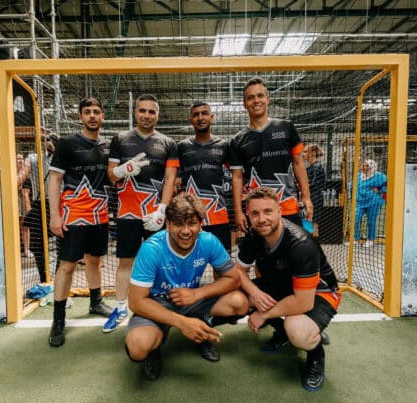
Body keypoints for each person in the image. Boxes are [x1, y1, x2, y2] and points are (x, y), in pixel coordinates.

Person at [124, 193, 248, 381]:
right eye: (178, 224)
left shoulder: (208, 241)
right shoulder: (151, 248)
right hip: (157, 304)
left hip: (191, 300)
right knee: (138, 348)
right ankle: (155, 347)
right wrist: (182, 323)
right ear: (168, 224)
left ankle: (202, 328)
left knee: (240, 303)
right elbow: (135, 302)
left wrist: (197, 293)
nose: (185, 231)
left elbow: (233, 279)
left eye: (192, 223)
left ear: (200, 224)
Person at [236, 187, 341, 392]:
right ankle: (282, 333)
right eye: (255, 213)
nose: (261, 219)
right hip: (283, 285)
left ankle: (316, 353)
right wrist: (256, 294)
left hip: (319, 293)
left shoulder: (301, 244)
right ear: (249, 215)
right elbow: (238, 271)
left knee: (297, 330)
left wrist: (263, 313)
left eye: (268, 211)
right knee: (237, 298)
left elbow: (303, 302)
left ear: (279, 212)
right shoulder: (254, 234)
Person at [105, 94, 179, 333]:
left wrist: (162, 210)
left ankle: (160, 307)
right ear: (135, 112)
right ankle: (120, 307)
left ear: (158, 114)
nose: (147, 115)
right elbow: (110, 175)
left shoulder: (168, 143)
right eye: (142, 110)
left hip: (154, 215)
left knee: (160, 262)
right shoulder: (120, 139)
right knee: (125, 261)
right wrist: (121, 170)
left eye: (152, 111)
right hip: (127, 214)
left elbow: (170, 179)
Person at [47, 97, 114, 347]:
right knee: (67, 265)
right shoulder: (67, 143)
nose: (92, 116)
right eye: (87, 112)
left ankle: (96, 302)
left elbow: (113, 176)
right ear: (81, 117)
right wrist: (55, 215)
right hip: (73, 215)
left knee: (95, 260)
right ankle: (58, 320)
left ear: (103, 116)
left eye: (97, 111)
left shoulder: (108, 146)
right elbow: (55, 179)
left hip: (99, 214)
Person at [230, 77, 313, 233]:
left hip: (288, 206)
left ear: (268, 99)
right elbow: (237, 177)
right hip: (257, 212)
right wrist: (238, 211)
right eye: (250, 97)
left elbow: (298, 163)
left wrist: (306, 197)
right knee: (261, 249)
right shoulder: (237, 140)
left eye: (260, 96)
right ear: (244, 104)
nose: (256, 101)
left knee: (293, 248)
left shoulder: (286, 127)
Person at [177, 101, 231, 250]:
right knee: (190, 258)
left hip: (218, 213)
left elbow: (236, 175)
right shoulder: (182, 147)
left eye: (204, 113)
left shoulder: (224, 145)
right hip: (191, 216)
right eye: (196, 115)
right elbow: (174, 178)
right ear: (191, 120)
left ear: (212, 117)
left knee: (222, 260)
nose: (200, 118)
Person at [24, 135, 56, 283]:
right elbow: (22, 174)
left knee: (56, 245)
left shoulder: (62, 157)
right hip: (43, 203)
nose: (47, 143)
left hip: (55, 203)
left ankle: (52, 279)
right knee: (38, 245)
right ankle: (46, 279)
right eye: (45, 140)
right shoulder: (33, 158)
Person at [352, 159, 387, 247]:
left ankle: (370, 240)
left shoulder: (379, 176)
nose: (363, 167)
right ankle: (356, 239)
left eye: (366, 166)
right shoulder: (358, 176)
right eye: (363, 165)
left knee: (371, 221)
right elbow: (352, 185)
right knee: (355, 218)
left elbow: (387, 184)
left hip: (373, 202)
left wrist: (380, 190)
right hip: (360, 201)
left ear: (372, 167)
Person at [303, 143, 326, 237]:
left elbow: (311, 183)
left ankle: (313, 244)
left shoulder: (317, 167)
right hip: (311, 196)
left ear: (312, 153)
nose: (303, 154)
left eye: (305, 152)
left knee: (312, 225)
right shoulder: (310, 167)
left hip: (315, 198)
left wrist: (299, 185)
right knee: (309, 224)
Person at [16, 153, 32, 257]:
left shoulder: (27, 176)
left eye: (22, 158)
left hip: (23, 202)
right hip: (15, 202)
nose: (21, 161)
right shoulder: (11, 175)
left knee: (25, 226)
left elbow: (26, 192)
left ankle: (26, 250)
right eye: (18, 159)